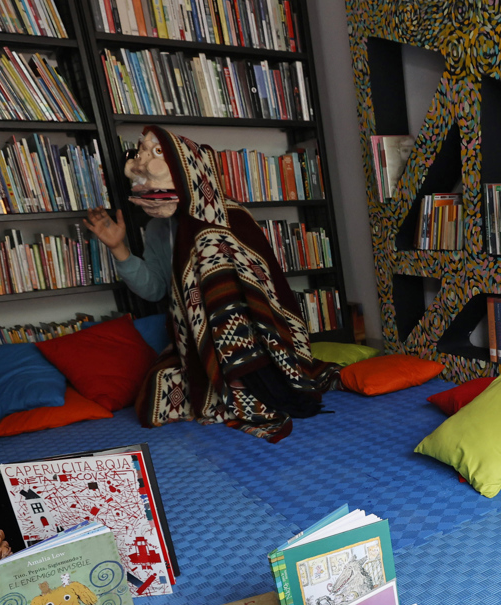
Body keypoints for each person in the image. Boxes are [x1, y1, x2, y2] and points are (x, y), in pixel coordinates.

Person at [84, 126, 338, 443]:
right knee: (158, 392)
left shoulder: (232, 217)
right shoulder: (158, 230)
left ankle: (252, 379)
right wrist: (118, 249)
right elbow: (155, 290)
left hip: (253, 333)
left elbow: (264, 283)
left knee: (264, 382)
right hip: (193, 336)